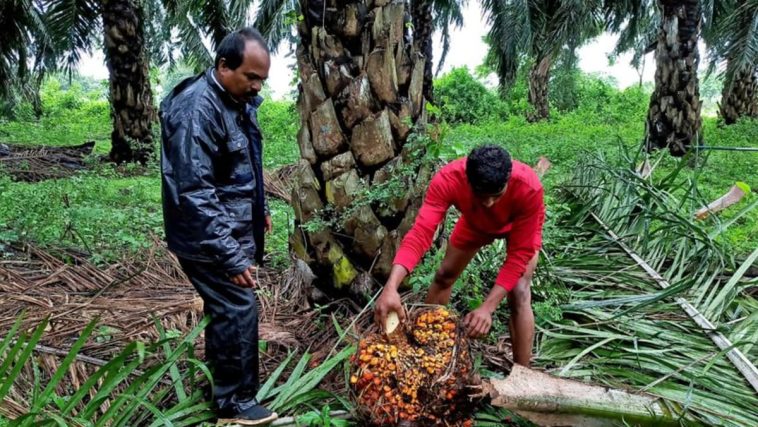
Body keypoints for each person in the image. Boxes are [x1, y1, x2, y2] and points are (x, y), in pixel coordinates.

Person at [159, 27, 276, 425]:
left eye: (262, 79)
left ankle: (221, 388)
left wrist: (257, 209)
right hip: (206, 237)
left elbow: (235, 170)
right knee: (238, 306)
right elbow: (193, 191)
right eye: (252, 77)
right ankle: (235, 404)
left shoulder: (233, 100)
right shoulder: (197, 109)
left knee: (226, 308)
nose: (257, 87)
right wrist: (229, 254)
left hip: (225, 227)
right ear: (224, 66)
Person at [374, 145, 545, 367]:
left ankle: (523, 375)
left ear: (508, 180)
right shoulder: (448, 179)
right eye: (481, 196)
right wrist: (391, 286)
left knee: (519, 290)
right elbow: (420, 234)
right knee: (444, 275)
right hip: (476, 223)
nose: (490, 203)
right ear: (467, 180)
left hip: (518, 225)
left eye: (497, 196)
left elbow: (519, 256)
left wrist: (487, 308)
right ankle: (430, 354)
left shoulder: (528, 188)